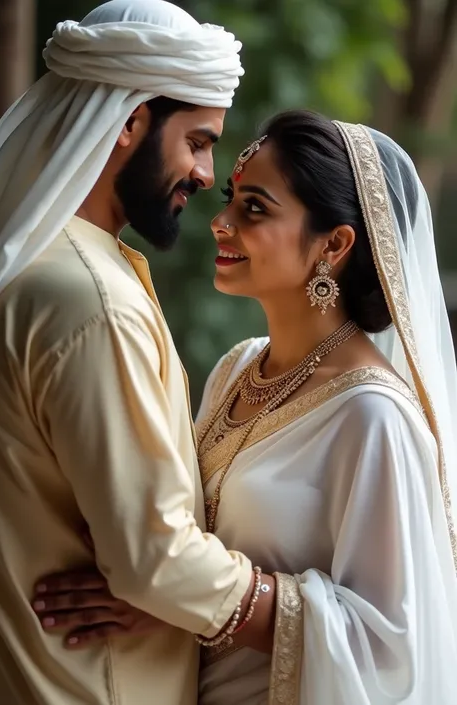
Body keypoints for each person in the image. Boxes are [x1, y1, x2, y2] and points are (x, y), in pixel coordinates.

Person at [33, 109, 457, 705]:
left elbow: (389, 648)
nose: (221, 223)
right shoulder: (238, 368)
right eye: (230, 198)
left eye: (254, 208)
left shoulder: (373, 417)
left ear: (333, 244)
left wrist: (195, 603)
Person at [0, 2, 282, 704]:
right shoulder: (91, 302)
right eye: (198, 141)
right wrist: (302, 609)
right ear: (129, 121)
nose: (207, 174)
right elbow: (155, 563)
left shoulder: (37, 267)